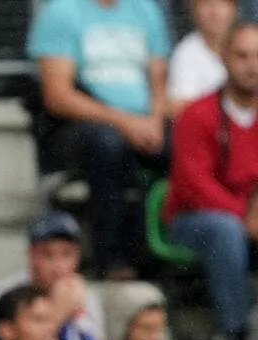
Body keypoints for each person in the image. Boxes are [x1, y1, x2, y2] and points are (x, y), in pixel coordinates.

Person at [27, 0, 171, 279]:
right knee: (107, 144)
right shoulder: (61, 11)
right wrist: (124, 122)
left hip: (144, 121)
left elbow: (160, 79)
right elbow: (58, 96)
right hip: (79, 126)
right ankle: (111, 259)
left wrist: (155, 120)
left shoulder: (146, 10)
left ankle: (165, 253)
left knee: (182, 142)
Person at [164, 21, 258, 340]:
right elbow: (194, 184)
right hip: (194, 219)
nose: (252, 66)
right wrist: (245, 215)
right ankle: (235, 337)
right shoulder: (198, 114)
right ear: (223, 58)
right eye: (243, 56)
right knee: (226, 230)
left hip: (249, 215)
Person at [0, 211, 104, 340]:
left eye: (66, 255)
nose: (58, 267)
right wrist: (59, 311)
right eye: (48, 255)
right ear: (31, 254)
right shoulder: (4, 295)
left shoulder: (84, 295)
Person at [167, 0, 237, 116]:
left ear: (234, 9)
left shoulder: (250, 45)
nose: (215, 12)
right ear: (194, 10)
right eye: (207, 4)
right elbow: (177, 107)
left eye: (222, 4)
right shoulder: (186, 52)